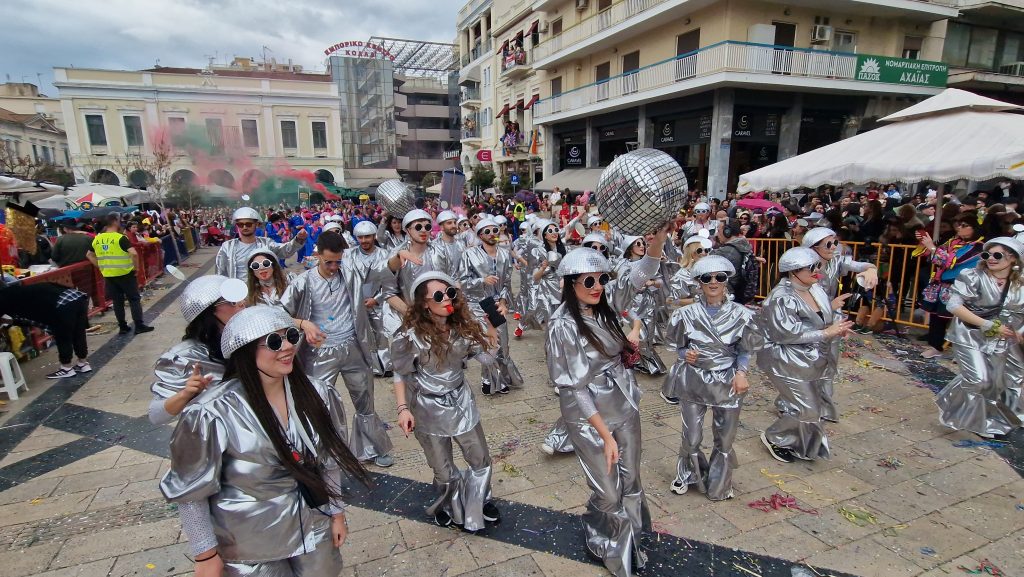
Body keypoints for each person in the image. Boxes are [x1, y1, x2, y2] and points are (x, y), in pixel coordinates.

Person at [160, 305, 370, 577]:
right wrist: (206, 555)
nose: (287, 347)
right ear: (245, 349)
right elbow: (191, 491)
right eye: (274, 341)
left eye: (291, 336)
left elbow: (329, 461)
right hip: (250, 544)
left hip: (313, 526)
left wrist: (337, 513)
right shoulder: (211, 412)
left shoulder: (319, 393)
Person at [545, 234, 667, 577]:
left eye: (602, 278)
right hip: (587, 415)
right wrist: (605, 435)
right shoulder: (562, 325)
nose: (597, 286)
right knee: (608, 490)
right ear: (570, 284)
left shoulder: (606, 303)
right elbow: (575, 389)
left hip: (624, 403)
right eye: (588, 281)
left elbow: (641, 272)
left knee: (632, 479)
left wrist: (658, 237)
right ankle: (606, 536)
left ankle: (634, 536)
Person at [391, 271, 502, 530]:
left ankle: (480, 499)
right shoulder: (410, 336)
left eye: (450, 293)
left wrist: (492, 329)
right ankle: (448, 503)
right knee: (442, 469)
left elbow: (486, 359)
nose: (446, 300)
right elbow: (400, 372)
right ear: (424, 304)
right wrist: (403, 409)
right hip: (427, 408)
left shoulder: (463, 327)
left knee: (480, 459)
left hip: (461, 402)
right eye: (438, 296)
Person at [282, 231, 395, 467]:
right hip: (319, 351)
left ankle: (373, 447)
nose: (334, 267)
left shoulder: (350, 274)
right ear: (317, 255)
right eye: (328, 262)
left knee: (365, 399)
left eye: (338, 261)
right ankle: (320, 451)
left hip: (353, 346)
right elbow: (278, 313)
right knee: (317, 402)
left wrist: (400, 255)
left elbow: (382, 272)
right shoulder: (303, 282)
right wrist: (304, 323)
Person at [665, 256, 758, 500]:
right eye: (707, 278)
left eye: (720, 277)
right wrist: (687, 354)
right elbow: (677, 345)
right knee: (691, 435)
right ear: (699, 283)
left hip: (727, 379)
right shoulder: (685, 314)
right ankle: (687, 473)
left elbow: (745, 349)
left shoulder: (742, 314)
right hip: (693, 379)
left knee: (725, 436)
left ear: (727, 281)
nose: (713, 282)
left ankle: (720, 481)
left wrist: (741, 373)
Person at [758, 247, 853, 463]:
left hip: (811, 360)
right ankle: (775, 437)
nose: (817, 270)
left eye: (817, 265)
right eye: (811, 267)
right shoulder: (780, 298)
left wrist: (837, 326)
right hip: (785, 361)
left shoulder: (815, 289)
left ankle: (800, 442)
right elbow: (784, 334)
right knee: (808, 409)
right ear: (793, 271)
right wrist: (826, 333)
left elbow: (821, 318)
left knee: (810, 407)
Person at [935, 237, 1024, 438]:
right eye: (987, 254)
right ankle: (970, 419)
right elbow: (953, 305)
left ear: (1012, 258)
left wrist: (1019, 332)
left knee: (1000, 382)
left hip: (1001, 339)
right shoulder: (972, 276)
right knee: (980, 380)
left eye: (997, 255)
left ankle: (998, 418)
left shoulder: (1020, 283)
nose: (991, 259)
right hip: (968, 334)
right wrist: (987, 324)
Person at [800, 227, 878, 420]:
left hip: (832, 319)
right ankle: (794, 404)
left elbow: (860, 265)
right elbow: (797, 297)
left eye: (836, 242)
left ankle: (824, 406)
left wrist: (871, 270)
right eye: (829, 243)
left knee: (829, 363)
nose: (834, 247)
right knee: (805, 364)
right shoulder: (801, 266)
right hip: (807, 321)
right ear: (813, 247)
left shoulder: (836, 260)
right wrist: (828, 305)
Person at [149, 275, 246, 425]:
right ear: (209, 311)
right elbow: (156, 415)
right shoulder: (185, 357)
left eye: (240, 298)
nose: (241, 304)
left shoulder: (250, 339)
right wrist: (186, 394)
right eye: (232, 301)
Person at [459, 219, 524, 395]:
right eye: (487, 232)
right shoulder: (469, 254)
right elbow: (463, 282)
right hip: (478, 303)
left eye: (494, 230)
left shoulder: (504, 254)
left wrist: (503, 301)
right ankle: (488, 381)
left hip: (497, 304)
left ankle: (502, 378)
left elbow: (507, 282)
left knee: (502, 344)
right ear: (480, 235)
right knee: (488, 344)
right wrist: (482, 280)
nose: (492, 234)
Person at [917, 213, 985, 359]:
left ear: (975, 228)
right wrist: (928, 246)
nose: (959, 228)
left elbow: (953, 261)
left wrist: (933, 248)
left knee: (962, 320)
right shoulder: (953, 242)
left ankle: (963, 352)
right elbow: (937, 256)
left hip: (960, 287)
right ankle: (935, 346)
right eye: (959, 225)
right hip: (942, 284)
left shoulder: (978, 247)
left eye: (964, 225)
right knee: (937, 316)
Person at [0, 276, 91, 379]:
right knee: (78, 334)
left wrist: (10, 321)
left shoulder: (4, 299)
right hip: (77, 297)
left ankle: (66, 368)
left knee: (63, 337)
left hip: (62, 303)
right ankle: (83, 363)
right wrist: (11, 321)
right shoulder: (16, 292)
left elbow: (32, 318)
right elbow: (31, 318)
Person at [344, 220, 398, 377]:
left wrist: (377, 299)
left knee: (381, 335)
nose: (364, 241)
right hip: (357, 303)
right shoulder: (349, 255)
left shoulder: (385, 255)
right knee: (363, 336)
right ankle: (372, 366)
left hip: (378, 303)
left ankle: (386, 366)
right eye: (360, 237)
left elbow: (391, 281)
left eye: (367, 237)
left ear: (374, 236)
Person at [87, 214, 154, 335]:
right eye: (118, 221)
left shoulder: (97, 239)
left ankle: (123, 327)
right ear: (114, 222)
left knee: (117, 302)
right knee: (134, 299)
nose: (120, 223)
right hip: (126, 274)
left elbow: (89, 255)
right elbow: (133, 254)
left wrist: (101, 266)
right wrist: (136, 268)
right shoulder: (120, 238)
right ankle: (139, 325)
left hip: (109, 275)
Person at [615, 235, 666, 376]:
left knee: (647, 336)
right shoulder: (623, 265)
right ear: (630, 247)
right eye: (638, 244)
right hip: (630, 303)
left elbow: (660, 282)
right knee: (636, 335)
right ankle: (635, 360)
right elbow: (620, 284)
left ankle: (647, 363)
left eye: (643, 243)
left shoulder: (648, 263)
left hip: (647, 302)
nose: (642, 246)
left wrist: (652, 283)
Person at [215, 207, 306, 281]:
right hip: (237, 295)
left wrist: (298, 239)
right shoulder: (227, 247)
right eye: (240, 224)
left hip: (261, 293)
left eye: (248, 224)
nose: (244, 227)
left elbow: (285, 251)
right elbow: (220, 273)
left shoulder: (266, 243)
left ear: (256, 224)